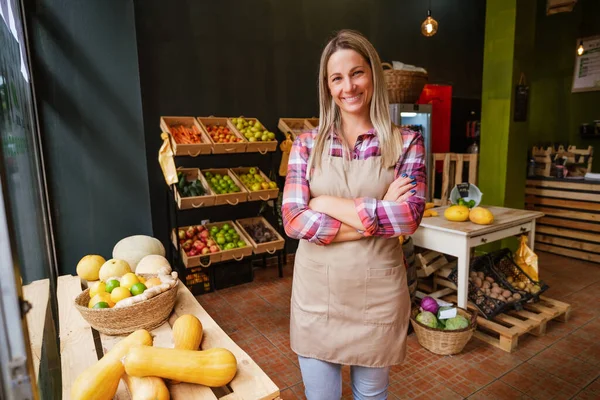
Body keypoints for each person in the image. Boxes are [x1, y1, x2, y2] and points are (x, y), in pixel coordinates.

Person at [281, 29, 427, 400]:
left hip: (376, 297)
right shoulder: (305, 145)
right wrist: (377, 217)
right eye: (337, 77)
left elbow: (409, 216)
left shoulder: (407, 141)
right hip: (317, 298)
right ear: (327, 86)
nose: (349, 86)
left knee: (371, 396)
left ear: (373, 75)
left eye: (357, 72)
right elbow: (294, 220)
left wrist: (325, 203)